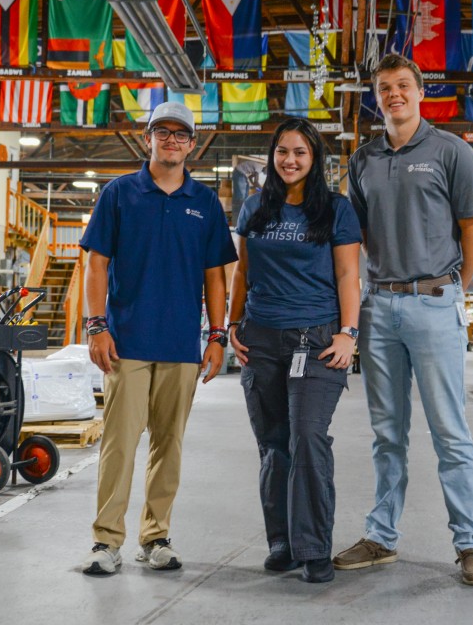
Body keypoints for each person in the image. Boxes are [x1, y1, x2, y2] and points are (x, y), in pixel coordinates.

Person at [333, 53, 473, 586]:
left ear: (420, 92)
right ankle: (381, 536)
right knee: (387, 434)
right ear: (375, 97)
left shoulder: (452, 152)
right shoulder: (363, 160)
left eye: (403, 85)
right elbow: (350, 241)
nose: (393, 94)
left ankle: (472, 545)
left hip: (433, 303)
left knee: (451, 431)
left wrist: (451, 294)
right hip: (379, 308)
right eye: (384, 88)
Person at [78, 101, 237, 576]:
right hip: (126, 342)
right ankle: (106, 541)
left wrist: (217, 336)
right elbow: (97, 264)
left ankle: (156, 535)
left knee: (170, 444)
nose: (171, 140)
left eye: (180, 134)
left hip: (181, 347)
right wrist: (96, 325)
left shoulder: (205, 203)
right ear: (148, 138)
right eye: (162, 132)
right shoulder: (120, 193)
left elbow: (215, 277)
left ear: (192, 143)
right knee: (120, 445)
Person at [228, 119, 362, 585]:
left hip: (317, 338)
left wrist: (348, 332)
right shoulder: (254, 208)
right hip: (261, 339)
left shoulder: (336, 210)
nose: (289, 160)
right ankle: (282, 543)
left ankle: (314, 546)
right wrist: (231, 324)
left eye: (300, 153)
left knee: (307, 436)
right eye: (282, 151)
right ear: (272, 156)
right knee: (273, 445)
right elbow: (242, 274)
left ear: (314, 159)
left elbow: (348, 276)